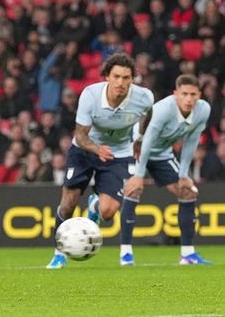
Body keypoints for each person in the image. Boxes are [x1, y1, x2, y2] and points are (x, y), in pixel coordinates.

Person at [46, 52, 154, 269]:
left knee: (107, 212)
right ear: (107, 77)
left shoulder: (144, 97)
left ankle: (94, 206)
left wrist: (139, 140)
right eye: (116, 77)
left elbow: (148, 114)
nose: (120, 83)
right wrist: (97, 149)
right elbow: (81, 136)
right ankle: (59, 254)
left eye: (126, 78)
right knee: (68, 205)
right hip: (85, 150)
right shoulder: (90, 95)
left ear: (133, 79)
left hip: (118, 153)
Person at [120, 74, 212, 266]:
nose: (189, 99)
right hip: (137, 148)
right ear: (175, 94)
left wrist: (184, 174)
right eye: (184, 94)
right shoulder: (162, 109)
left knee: (186, 193)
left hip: (162, 153)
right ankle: (126, 253)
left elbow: (191, 141)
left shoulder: (203, 110)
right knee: (134, 190)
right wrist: (139, 175)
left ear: (199, 95)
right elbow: (147, 140)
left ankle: (187, 254)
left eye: (193, 94)